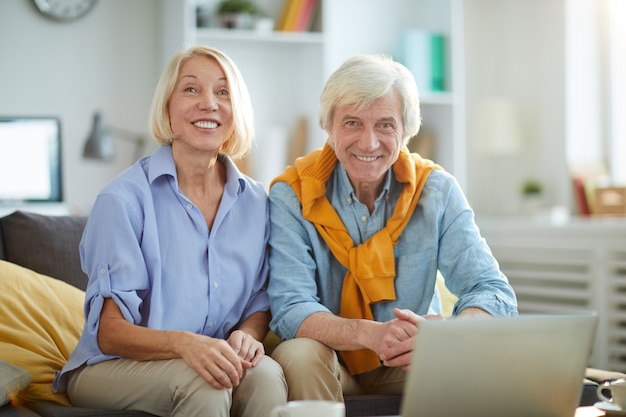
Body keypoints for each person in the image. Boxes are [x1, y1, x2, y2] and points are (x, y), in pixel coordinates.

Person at [267, 54, 518, 401]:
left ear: (405, 131)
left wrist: (450, 333)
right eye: (352, 123)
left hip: (412, 365)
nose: (368, 143)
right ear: (329, 127)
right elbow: (290, 307)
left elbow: (492, 290)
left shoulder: (437, 191)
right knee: (298, 353)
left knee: (485, 355)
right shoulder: (291, 194)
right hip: (331, 363)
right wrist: (369, 335)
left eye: (385, 124)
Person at [52, 45, 287, 417]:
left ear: (236, 111)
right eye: (191, 89)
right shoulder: (122, 200)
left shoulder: (257, 202)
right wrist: (185, 345)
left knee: (268, 374)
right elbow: (110, 332)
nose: (209, 103)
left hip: (207, 359)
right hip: (110, 366)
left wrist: (248, 334)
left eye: (223, 92)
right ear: (167, 109)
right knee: (204, 385)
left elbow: (260, 302)